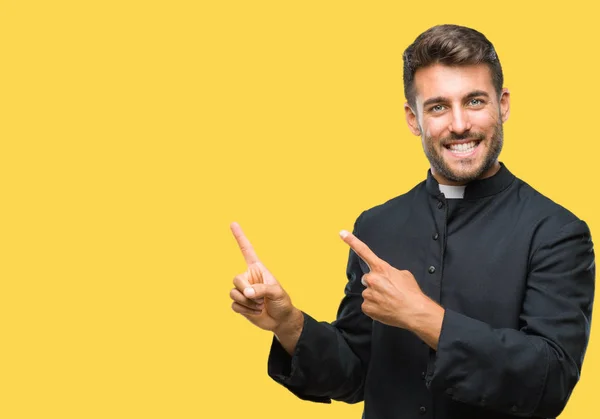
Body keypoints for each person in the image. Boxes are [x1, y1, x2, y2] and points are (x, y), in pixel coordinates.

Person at [228, 24, 595, 419]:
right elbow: (355, 375)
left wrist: (422, 315)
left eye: (474, 101)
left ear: (502, 104)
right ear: (413, 118)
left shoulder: (556, 231)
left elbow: (550, 380)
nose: (458, 125)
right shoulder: (376, 226)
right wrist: (289, 324)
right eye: (438, 107)